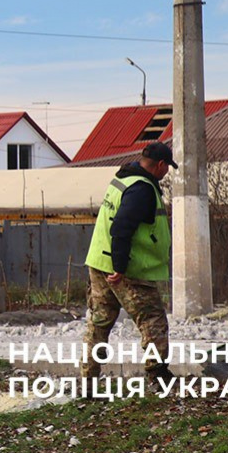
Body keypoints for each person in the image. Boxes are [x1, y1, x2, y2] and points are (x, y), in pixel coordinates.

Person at [82, 142, 176, 383]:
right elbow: (121, 228)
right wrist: (120, 267)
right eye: (167, 168)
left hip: (99, 262)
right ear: (161, 165)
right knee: (152, 320)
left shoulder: (123, 178)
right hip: (127, 269)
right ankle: (157, 377)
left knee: (100, 322)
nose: (166, 173)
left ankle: (87, 381)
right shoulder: (142, 189)